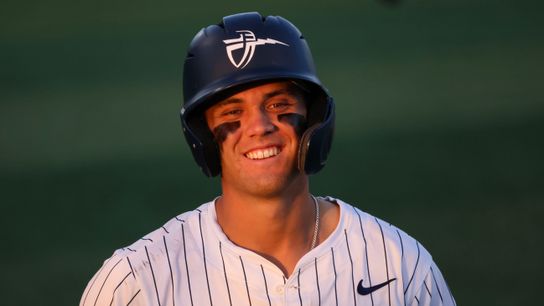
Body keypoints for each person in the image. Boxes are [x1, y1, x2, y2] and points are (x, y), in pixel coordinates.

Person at [80, 12, 456, 306]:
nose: (259, 126)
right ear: (203, 137)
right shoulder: (137, 283)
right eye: (232, 113)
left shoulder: (397, 263)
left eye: (279, 105)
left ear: (314, 120)